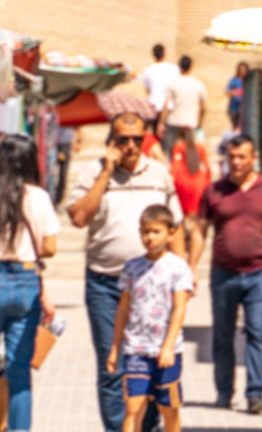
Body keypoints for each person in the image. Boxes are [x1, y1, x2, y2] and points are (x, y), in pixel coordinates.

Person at [67, 112, 184, 432]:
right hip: (106, 283)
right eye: (123, 139)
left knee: (149, 364)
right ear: (111, 141)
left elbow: (176, 225)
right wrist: (106, 172)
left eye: (137, 139)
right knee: (112, 365)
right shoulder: (93, 171)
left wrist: (184, 271)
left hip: (154, 285)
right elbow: (78, 218)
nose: (131, 146)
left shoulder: (159, 173)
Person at [0, 134, 61, 432]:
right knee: (19, 371)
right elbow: (51, 247)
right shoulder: (39, 196)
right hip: (25, 282)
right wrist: (23, 253)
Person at [195, 134, 262, 412]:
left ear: (253, 158)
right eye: (232, 157)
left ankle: (255, 393)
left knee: (258, 331)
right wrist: (190, 268)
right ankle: (223, 392)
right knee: (222, 334)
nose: (237, 162)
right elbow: (200, 229)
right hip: (223, 274)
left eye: (242, 156)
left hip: (260, 272)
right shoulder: (214, 191)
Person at [107, 205, 195, 432]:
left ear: (171, 233)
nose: (150, 237)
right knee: (133, 405)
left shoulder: (178, 268)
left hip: (166, 350)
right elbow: (123, 309)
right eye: (146, 232)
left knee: (168, 407)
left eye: (156, 231)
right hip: (136, 347)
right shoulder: (132, 268)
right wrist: (116, 347)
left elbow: (179, 309)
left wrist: (167, 346)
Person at [161, 54, 206, 156]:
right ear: (191, 66)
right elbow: (203, 108)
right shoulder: (198, 84)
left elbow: (166, 105)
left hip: (174, 121)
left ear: (179, 67)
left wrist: (161, 123)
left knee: (171, 152)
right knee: (189, 153)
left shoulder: (173, 83)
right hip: (190, 122)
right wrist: (200, 122)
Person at [138, 44, 181, 123]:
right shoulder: (174, 68)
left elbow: (148, 90)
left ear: (153, 54)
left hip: (154, 106)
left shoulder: (148, 70)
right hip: (170, 106)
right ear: (164, 53)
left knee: (155, 133)